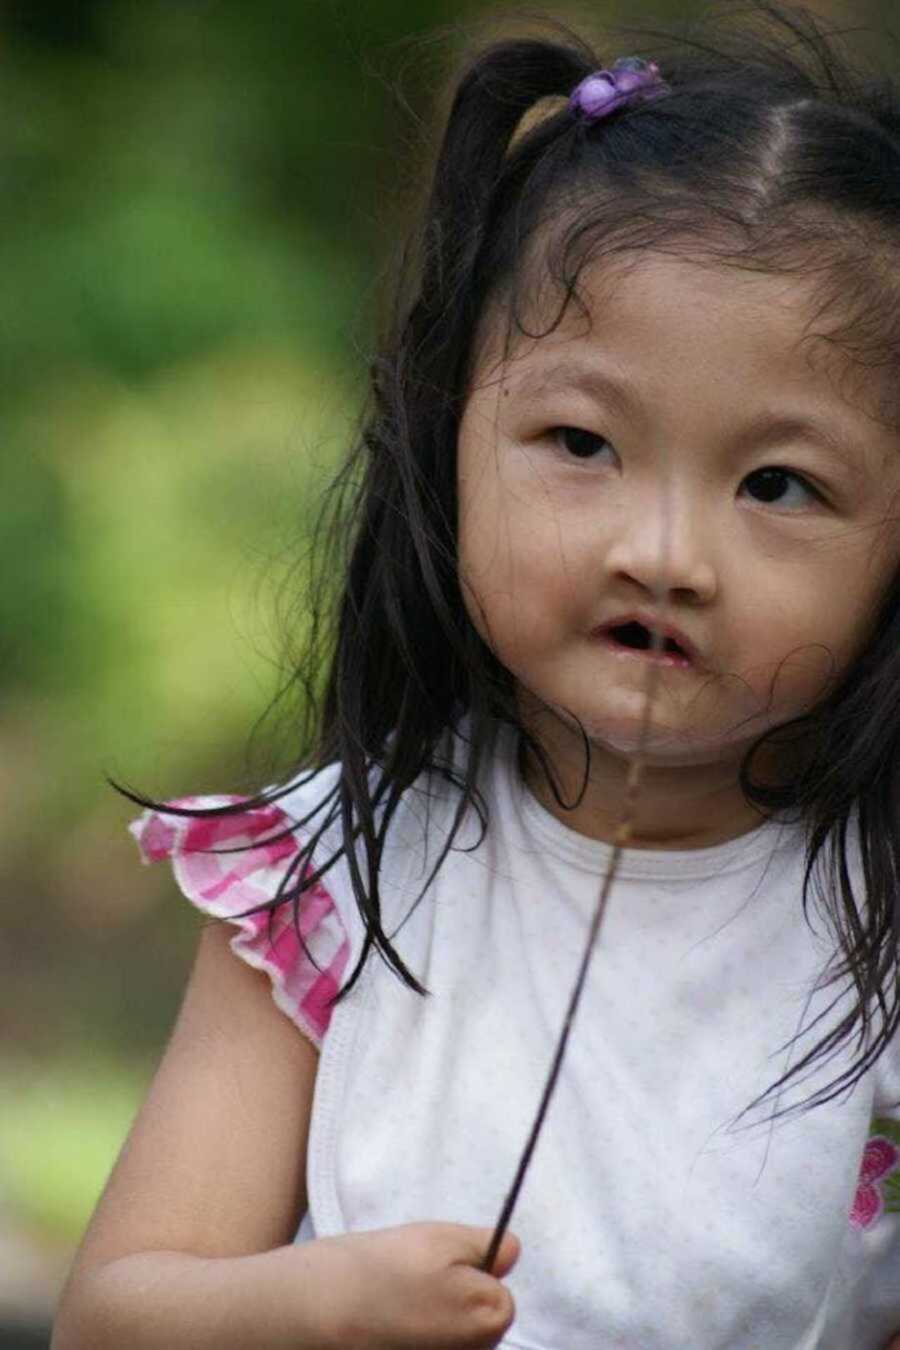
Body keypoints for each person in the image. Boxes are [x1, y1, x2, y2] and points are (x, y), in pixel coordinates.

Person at [52, 2, 900, 1346]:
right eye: (580, 441)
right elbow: (112, 1316)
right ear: (449, 435)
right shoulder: (331, 885)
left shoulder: (879, 931)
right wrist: (323, 1304)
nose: (664, 552)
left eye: (778, 482)